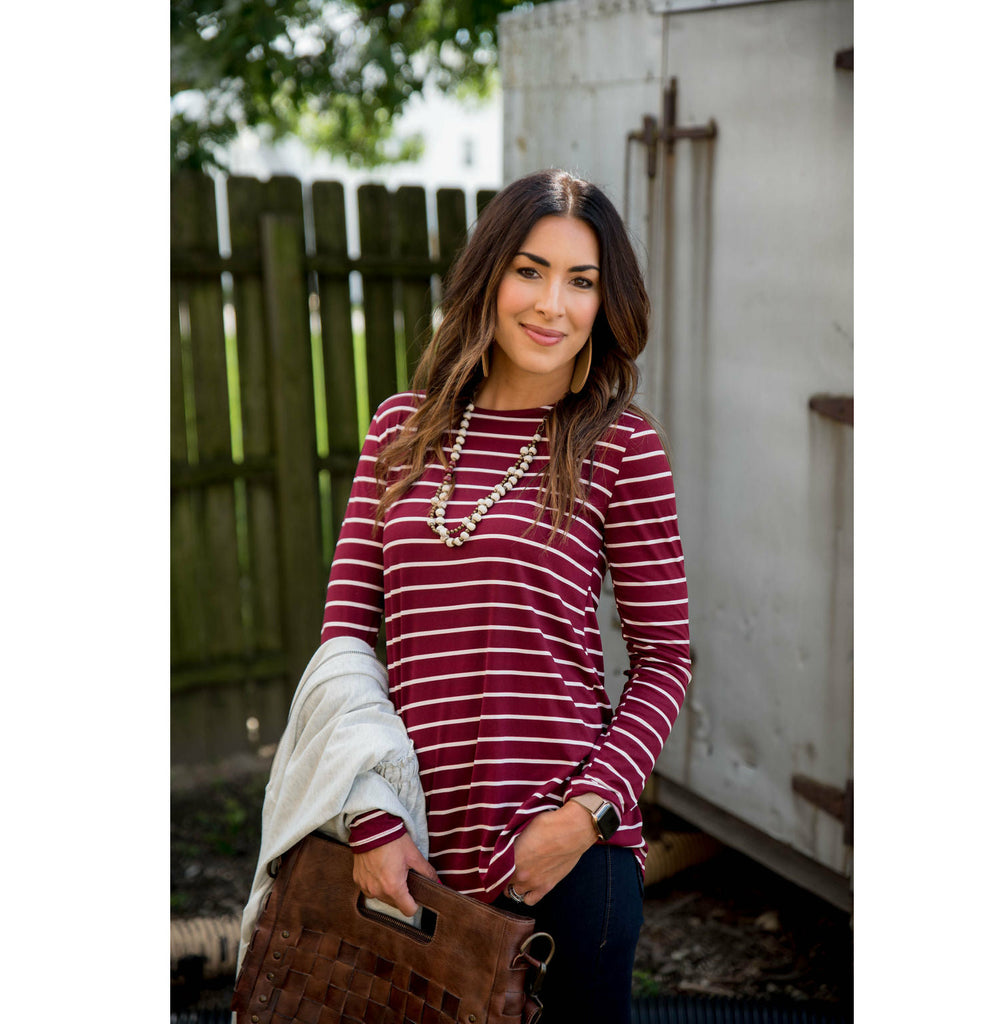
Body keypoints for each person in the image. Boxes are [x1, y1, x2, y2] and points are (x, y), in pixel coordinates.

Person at [320, 168, 691, 1023]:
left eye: (581, 280)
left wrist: (585, 819)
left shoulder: (620, 446)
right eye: (530, 269)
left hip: (564, 868)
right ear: (488, 275)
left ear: (606, 302)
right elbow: (345, 643)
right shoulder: (399, 431)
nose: (551, 304)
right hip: (408, 856)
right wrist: (372, 819)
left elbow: (666, 660)